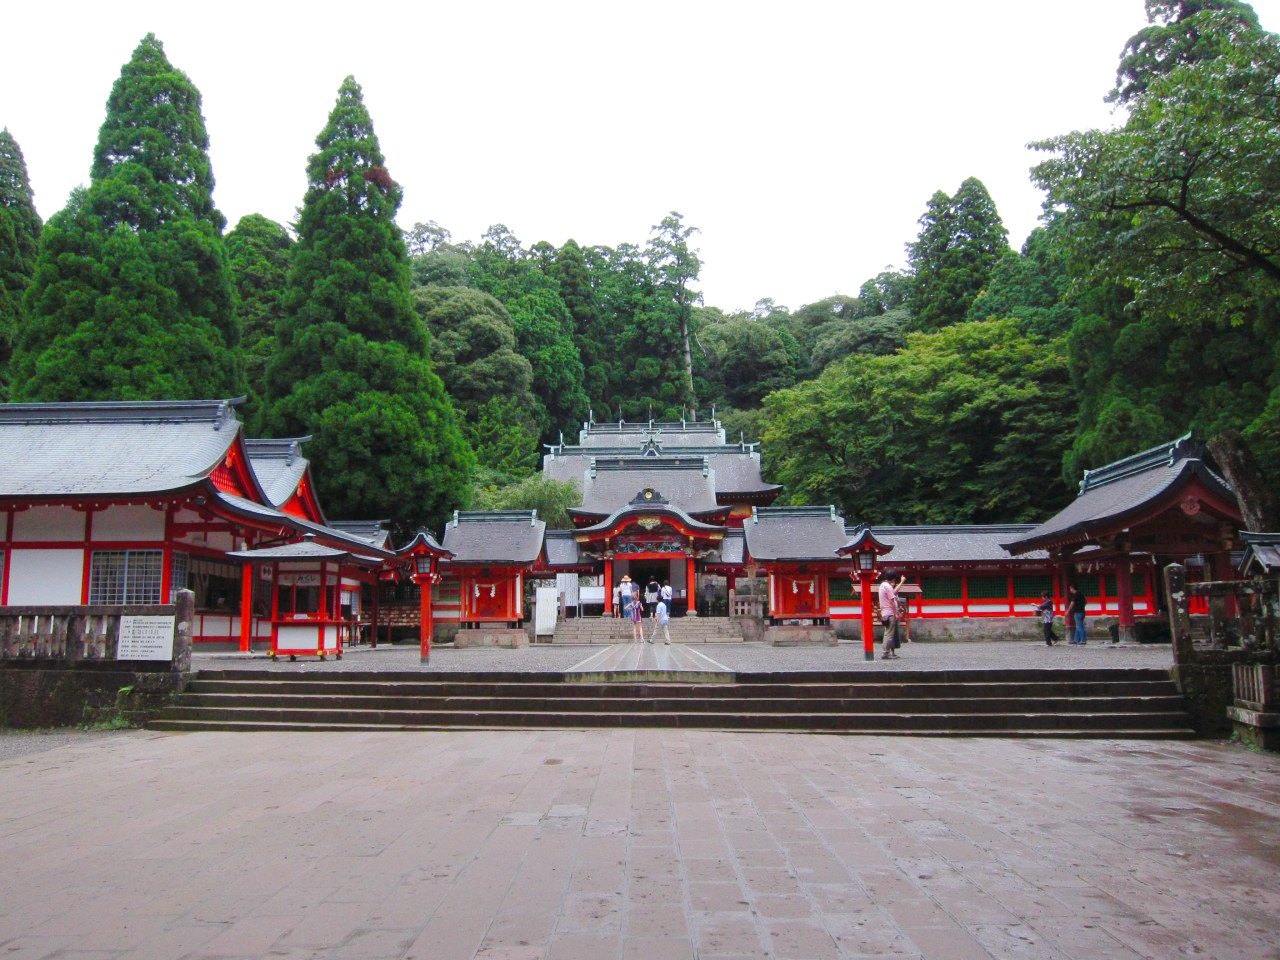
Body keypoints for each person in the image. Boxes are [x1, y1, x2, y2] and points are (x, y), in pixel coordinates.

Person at [878, 571, 906, 659]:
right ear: (893, 579)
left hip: (884, 613)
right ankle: (886, 653)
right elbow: (892, 600)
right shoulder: (888, 587)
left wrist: (901, 582)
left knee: (888, 632)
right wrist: (896, 612)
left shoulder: (882, 585)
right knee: (889, 633)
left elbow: (893, 592)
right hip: (890, 613)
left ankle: (887, 652)